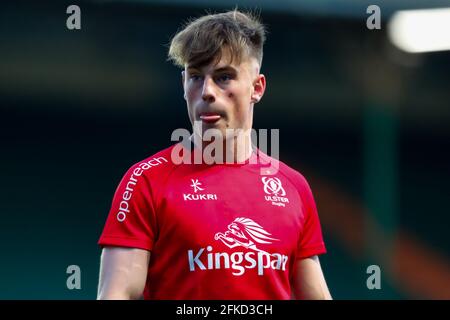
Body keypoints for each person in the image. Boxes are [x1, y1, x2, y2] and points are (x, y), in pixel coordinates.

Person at [97, 9, 332, 300]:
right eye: (196, 77)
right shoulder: (145, 181)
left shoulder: (294, 187)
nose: (207, 91)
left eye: (223, 77)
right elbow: (116, 295)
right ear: (183, 85)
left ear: (257, 88)